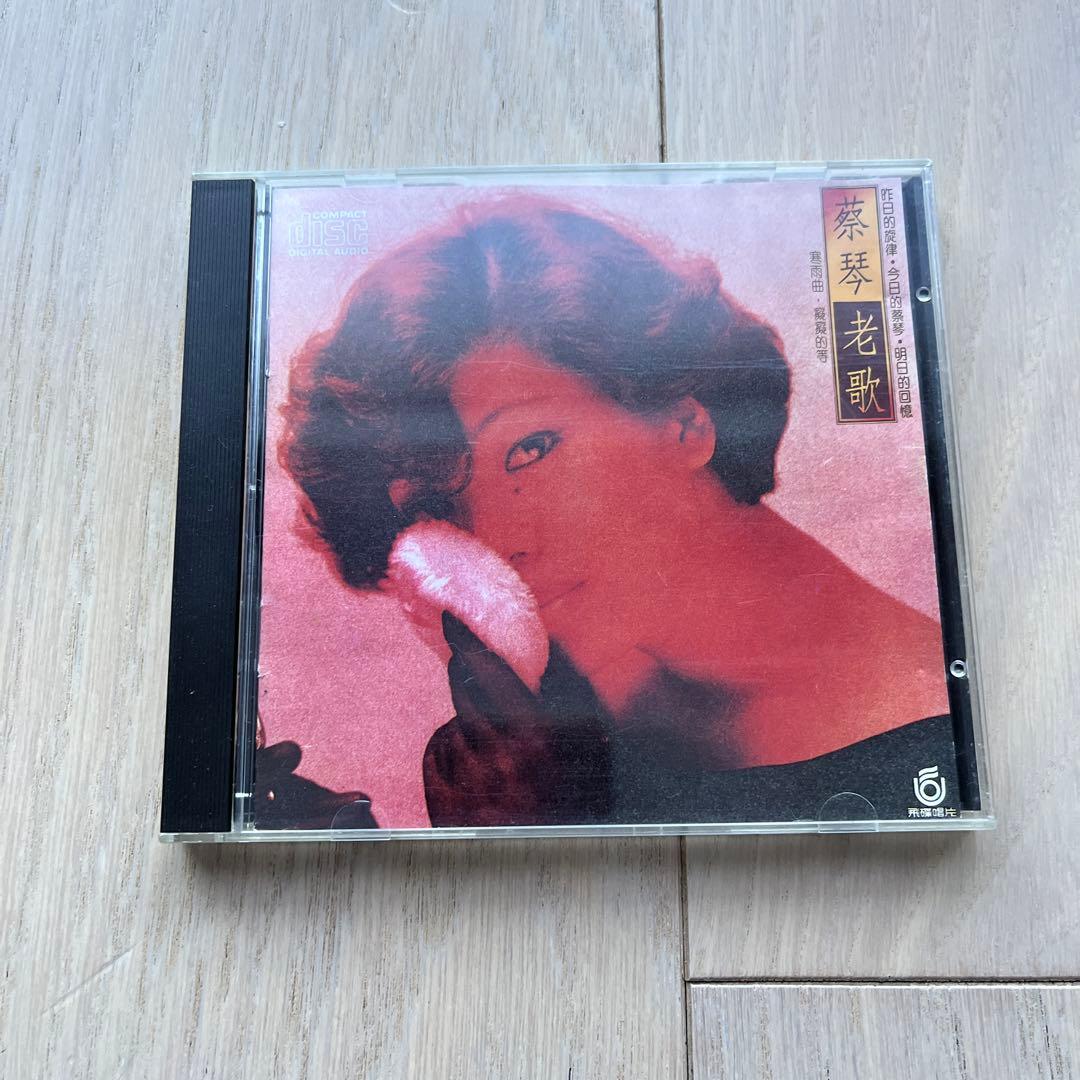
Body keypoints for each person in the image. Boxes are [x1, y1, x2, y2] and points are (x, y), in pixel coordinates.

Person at [279, 196, 955, 827]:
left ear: (684, 423)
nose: (498, 541)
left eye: (530, 450)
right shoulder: (556, 737)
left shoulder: (927, 735)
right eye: (444, 509)